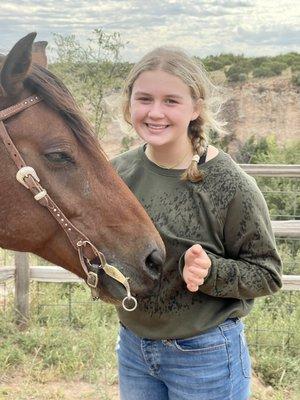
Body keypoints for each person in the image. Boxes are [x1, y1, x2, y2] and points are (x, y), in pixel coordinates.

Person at [111, 46, 282, 400]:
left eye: (171, 101)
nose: (155, 112)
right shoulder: (117, 174)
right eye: (144, 99)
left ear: (196, 107)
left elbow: (268, 273)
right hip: (133, 349)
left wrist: (211, 272)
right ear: (130, 104)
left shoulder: (228, 184)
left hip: (205, 356)